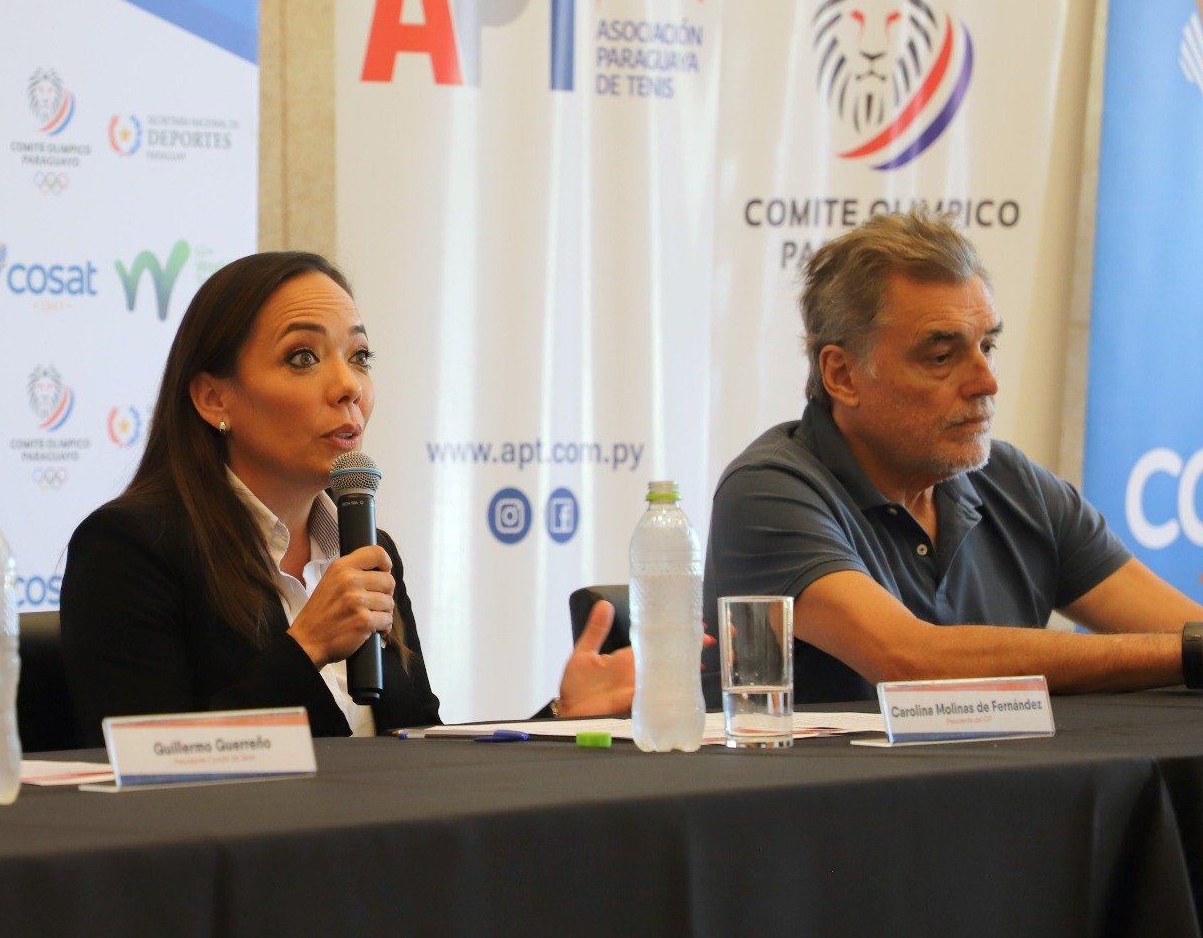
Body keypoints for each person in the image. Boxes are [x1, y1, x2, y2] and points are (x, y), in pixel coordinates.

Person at [60, 252, 633, 745]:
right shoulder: (129, 549)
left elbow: (419, 754)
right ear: (214, 398)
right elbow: (147, 764)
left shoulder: (367, 545)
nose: (349, 386)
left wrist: (562, 716)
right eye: (303, 357)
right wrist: (306, 646)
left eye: (359, 357)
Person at [702, 210, 1203, 704]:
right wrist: (1187, 653)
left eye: (987, 346)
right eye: (941, 357)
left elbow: (1181, 628)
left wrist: (1188, 646)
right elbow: (910, 660)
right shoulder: (767, 491)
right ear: (843, 375)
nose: (987, 382)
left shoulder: (1013, 482)